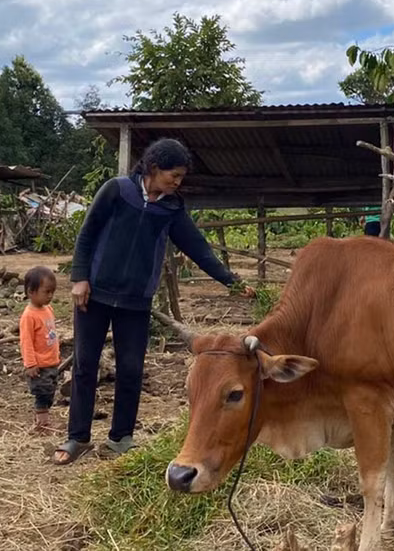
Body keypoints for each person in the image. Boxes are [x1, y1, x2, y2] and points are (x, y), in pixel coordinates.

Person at [53, 138, 250, 464]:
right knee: (85, 365)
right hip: (95, 294)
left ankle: (121, 438)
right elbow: (87, 234)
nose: (177, 182)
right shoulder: (117, 191)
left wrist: (231, 281)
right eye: (174, 175)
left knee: (131, 369)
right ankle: (77, 438)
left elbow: (197, 248)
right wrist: (79, 278)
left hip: (136, 300)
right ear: (154, 168)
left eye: (181, 177)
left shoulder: (171, 208)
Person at [19, 265, 61, 435]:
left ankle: (41, 420)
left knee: (49, 392)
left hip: (51, 362)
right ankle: (42, 425)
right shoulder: (29, 316)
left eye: (52, 292)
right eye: (46, 292)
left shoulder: (48, 309)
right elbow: (26, 341)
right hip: (39, 366)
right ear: (31, 291)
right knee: (42, 394)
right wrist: (30, 363)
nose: (50, 296)